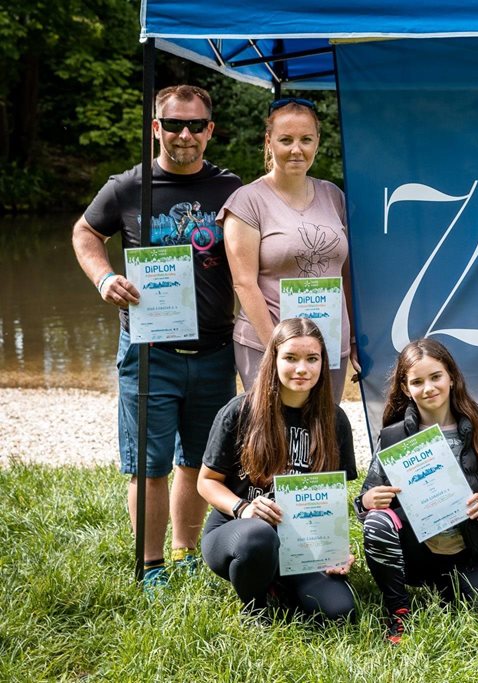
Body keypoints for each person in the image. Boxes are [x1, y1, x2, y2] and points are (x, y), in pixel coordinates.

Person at [71, 85, 242, 591]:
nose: (184, 134)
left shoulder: (231, 189)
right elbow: (85, 233)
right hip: (149, 351)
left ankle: (185, 552)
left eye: (195, 125)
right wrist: (104, 278)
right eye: (173, 124)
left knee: (199, 458)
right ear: (155, 128)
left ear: (210, 130)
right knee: (149, 465)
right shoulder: (129, 186)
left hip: (216, 350)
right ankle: (150, 566)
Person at [198, 318, 358, 622]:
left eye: (312, 359)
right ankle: (256, 607)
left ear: (323, 363)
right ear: (273, 359)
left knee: (340, 612)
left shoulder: (335, 420)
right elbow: (206, 482)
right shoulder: (240, 411)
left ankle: (278, 583)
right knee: (259, 537)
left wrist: (335, 549)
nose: (302, 369)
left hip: (301, 540)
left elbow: (333, 500)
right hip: (238, 534)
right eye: (291, 358)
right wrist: (243, 508)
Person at [356, 339, 478, 644]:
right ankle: (398, 609)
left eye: (436, 377)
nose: (428, 388)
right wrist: (368, 500)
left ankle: (447, 586)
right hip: (414, 552)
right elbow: (363, 501)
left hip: (465, 550)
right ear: (405, 388)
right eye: (417, 382)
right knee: (377, 522)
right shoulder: (392, 438)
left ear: (451, 377)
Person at [220, 97, 357, 403]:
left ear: (317, 142)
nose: (297, 149)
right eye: (286, 140)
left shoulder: (334, 196)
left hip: (328, 344)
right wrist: (279, 349)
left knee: (323, 427)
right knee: (273, 429)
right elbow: (244, 283)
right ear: (268, 142)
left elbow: (346, 275)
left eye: (306, 139)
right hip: (268, 345)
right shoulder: (246, 202)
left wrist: (353, 337)